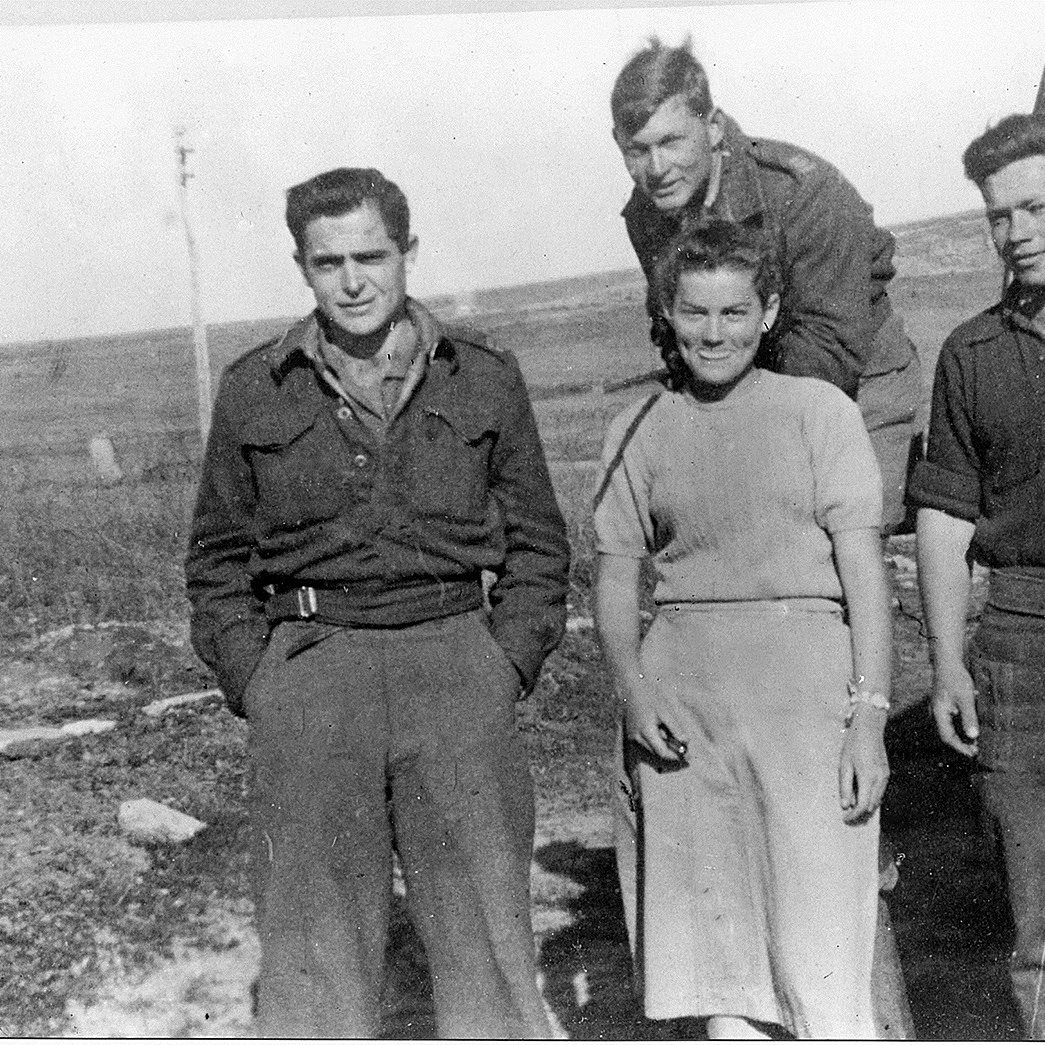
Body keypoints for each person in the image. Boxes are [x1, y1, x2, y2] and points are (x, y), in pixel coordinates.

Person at [184, 167, 569, 1038]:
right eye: (329, 263)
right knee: (316, 953)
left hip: (455, 666)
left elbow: (539, 541)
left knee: (487, 941)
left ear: (407, 254)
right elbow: (215, 558)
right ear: (302, 267)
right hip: (312, 677)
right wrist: (259, 680)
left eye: (371, 255)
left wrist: (503, 662)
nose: (353, 280)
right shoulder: (255, 386)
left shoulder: (483, 376)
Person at [594, 219, 891, 1038]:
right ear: (668, 312)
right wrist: (631, 685)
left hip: (804, 699)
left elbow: (863, 575)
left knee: (822, 953)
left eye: (733, 312)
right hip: (685, 706)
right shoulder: (639, 426)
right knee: (717, 962)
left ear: (767, 313)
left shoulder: (817, 412)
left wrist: (868, 716)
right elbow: (616, 575)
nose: (713, 333)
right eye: (694, 313)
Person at [611, 35, 922, 536]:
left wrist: (745, 429)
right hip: (742, 385)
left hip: (857, 388)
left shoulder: (805, 191)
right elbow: (674, 321)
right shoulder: (646, 215)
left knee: (844, 544)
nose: (657, 168)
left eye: (671, 142)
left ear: (711, 127)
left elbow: (829, 344)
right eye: (637, 150)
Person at [909, 113, 1045, 1039]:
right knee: (1035, 915)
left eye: (1036, 205)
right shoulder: (970, 354)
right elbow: (945, 518)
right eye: (999, 216)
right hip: (1019, 645)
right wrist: (948, 662)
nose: (1018, 231)